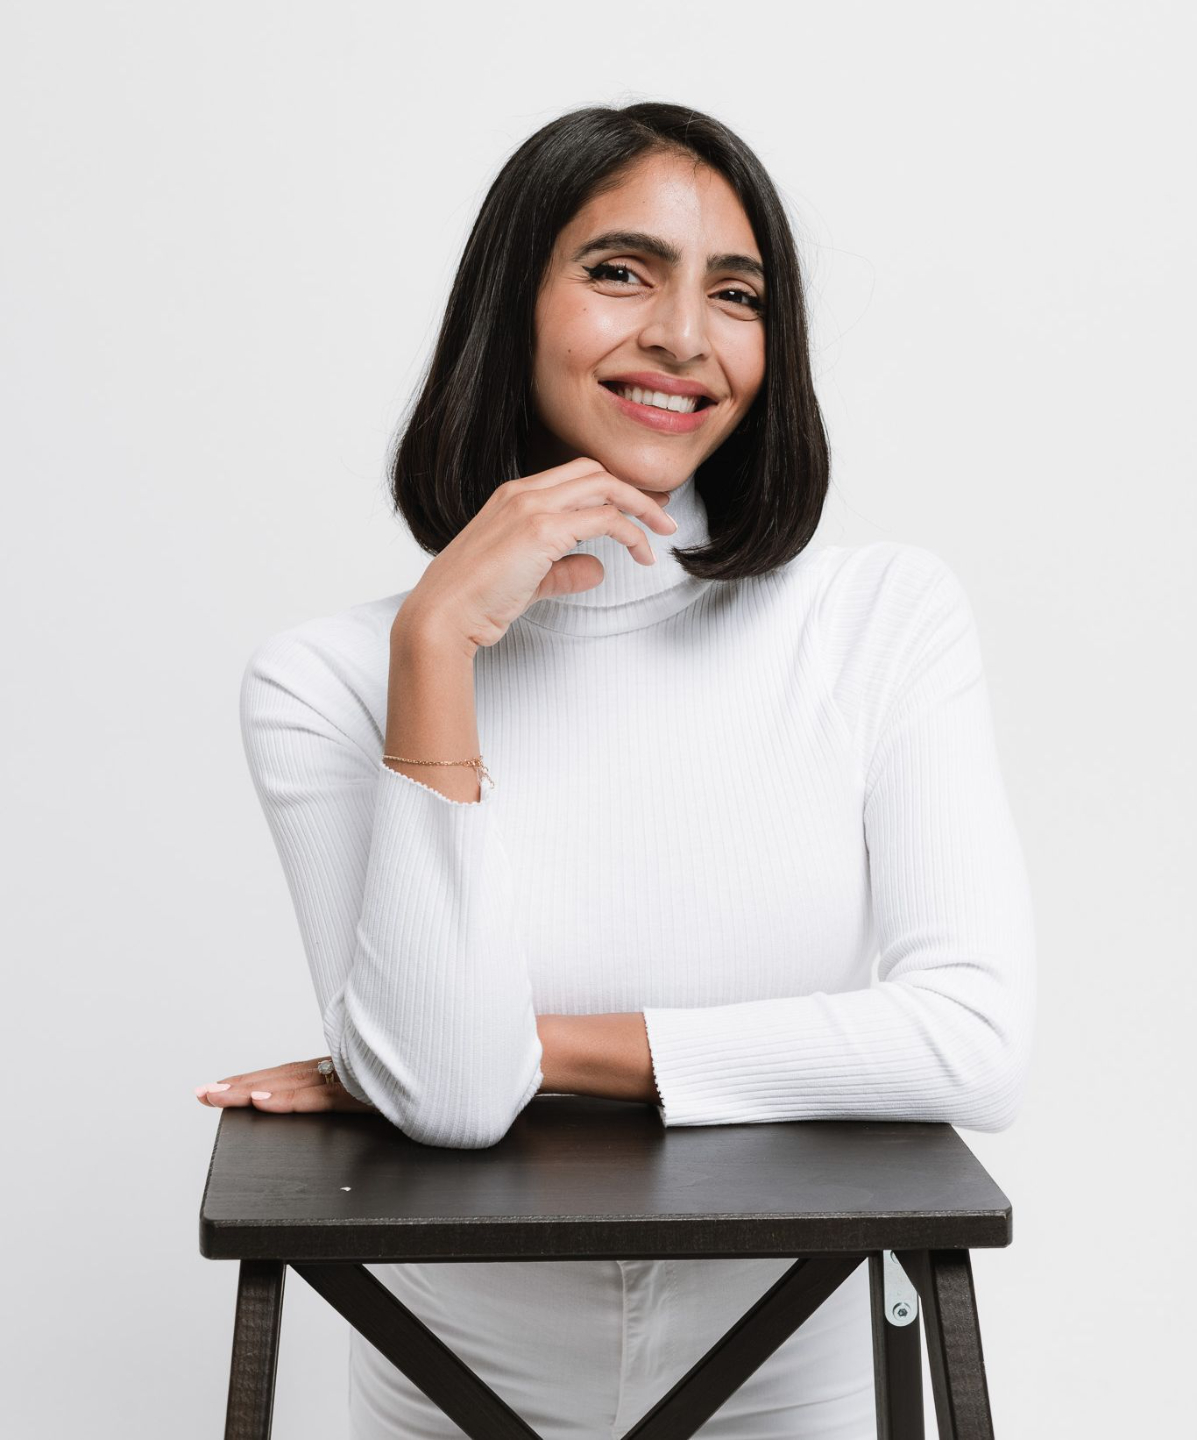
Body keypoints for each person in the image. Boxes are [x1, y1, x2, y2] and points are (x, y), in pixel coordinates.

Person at [194, 102, 1037, 1439]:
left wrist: (531, 1044)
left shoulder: (876, 618)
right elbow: (451, 1098)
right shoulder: (330, 677)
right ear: (511, 307)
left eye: (736, 293)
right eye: (620, 271)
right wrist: (435, 644)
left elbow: (972, 1042)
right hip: (448, 1375)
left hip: (794, 1366)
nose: (684, 337)